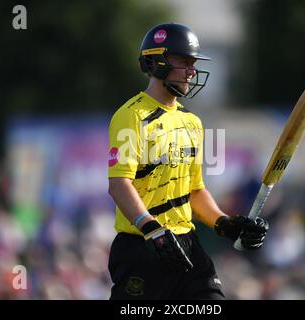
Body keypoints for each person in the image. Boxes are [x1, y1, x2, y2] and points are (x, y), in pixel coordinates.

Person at [107, 22, 269, 300]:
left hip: (186, 244)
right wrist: (153, 231)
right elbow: (119, 184)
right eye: (184, 61)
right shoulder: (131, 116)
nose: (192, 71)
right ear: (158, 61)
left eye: (193, 63)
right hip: (141, 246)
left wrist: (225, 224)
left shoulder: (192, 122)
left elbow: (194, 191)